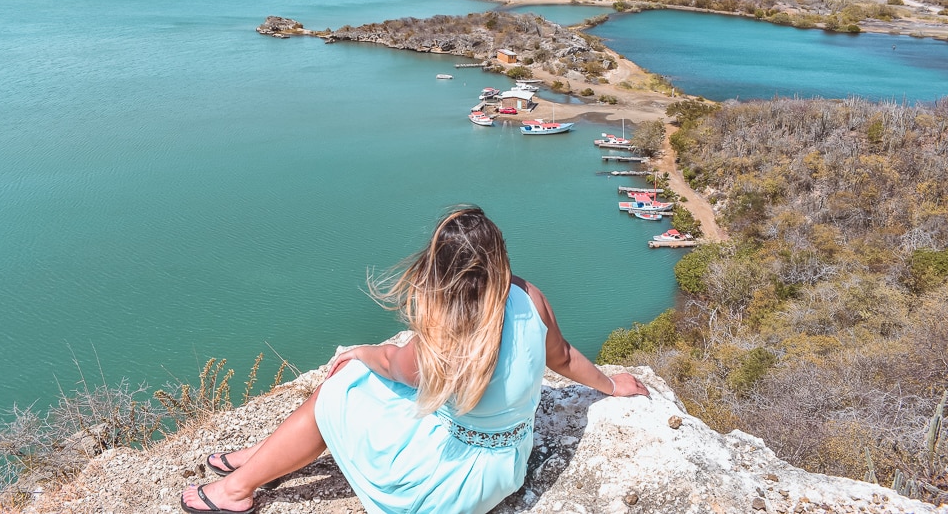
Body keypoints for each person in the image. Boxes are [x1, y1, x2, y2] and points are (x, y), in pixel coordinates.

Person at [181, 205, 649, 514]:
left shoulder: (448, 335)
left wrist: (354, 353)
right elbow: (563, 357)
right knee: (358, 391)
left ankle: (237, 490)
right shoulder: (529, 297)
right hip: (505, 467)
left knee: (340, 388)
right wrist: (611, 385)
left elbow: (390, 364)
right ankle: (259, 458)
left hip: (445, 485)